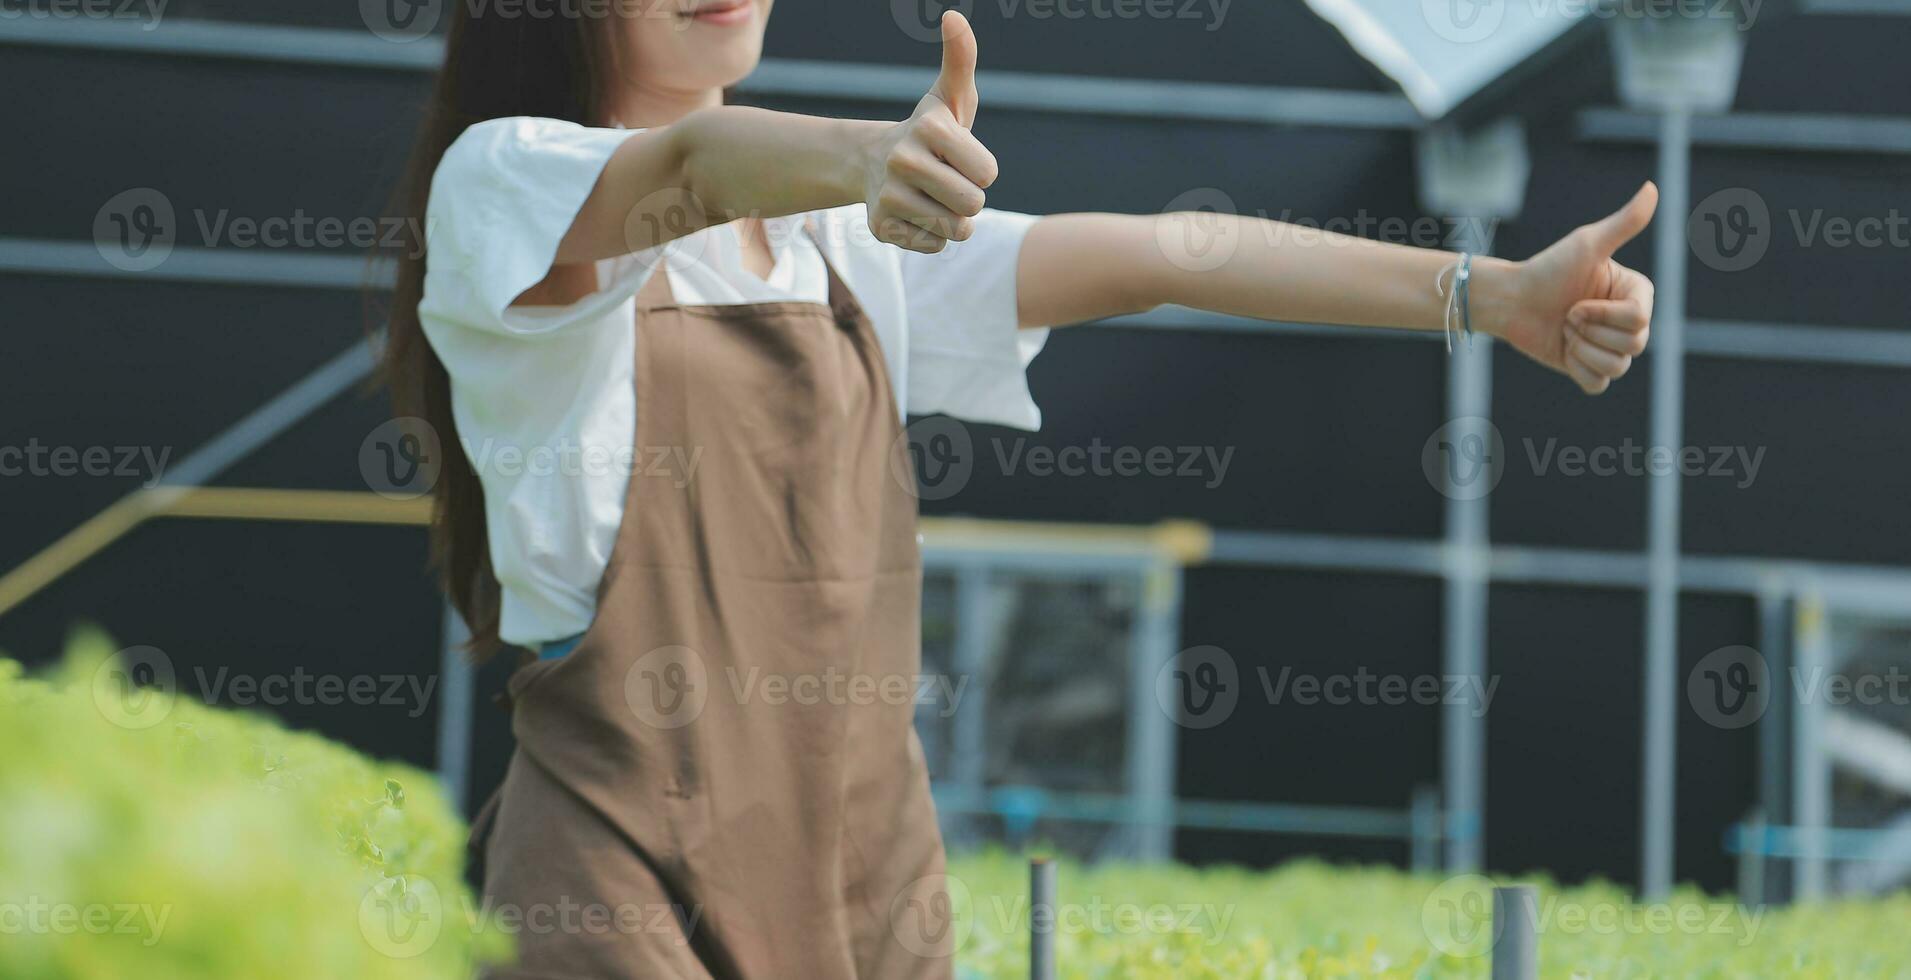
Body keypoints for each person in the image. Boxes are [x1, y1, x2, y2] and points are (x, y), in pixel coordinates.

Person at [380, 2, 1658, 976]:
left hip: (870, 874)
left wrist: (1491, 295)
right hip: (619, 878)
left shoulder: (835, 246)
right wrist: (872, 155)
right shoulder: (508, 181)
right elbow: (690, 167)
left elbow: (1167, 255)